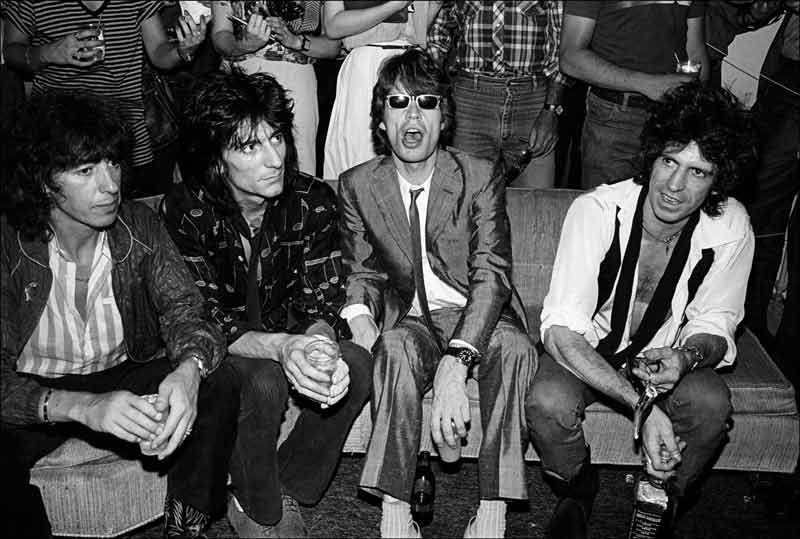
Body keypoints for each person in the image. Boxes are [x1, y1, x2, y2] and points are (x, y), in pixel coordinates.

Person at [0, 91, 239, 539]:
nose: (110, 184)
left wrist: (189, 370)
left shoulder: (139, 227)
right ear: (43, 181)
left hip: (121, 370)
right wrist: (84, 408)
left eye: (112, 162)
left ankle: (186, 526)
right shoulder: (9, 244)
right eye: (86, 170)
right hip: (35, 388)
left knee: (218, 382)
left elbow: (188, 311)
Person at [525, 81, 757, 539]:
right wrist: (642, 407)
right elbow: (562, 334)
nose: (674, 185)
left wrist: (686, 358)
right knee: (547, 401)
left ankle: (664, 491)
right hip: (593, 351)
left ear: (718, 180)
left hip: (668, 357)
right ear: (651, 156)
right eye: (670, 161)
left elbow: (717, 321)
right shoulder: (597, 210)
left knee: (711, 404)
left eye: (697, 172)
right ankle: (578, 488)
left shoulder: (730, 225)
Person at [160, 69, 371, 538]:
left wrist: (319, 345)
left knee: (355, 363)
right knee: (264, 379)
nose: (275, 158)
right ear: (217, 158)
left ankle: (286, 484)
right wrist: (280, 349)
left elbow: (321, 300)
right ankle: (254, 502)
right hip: (222, 345)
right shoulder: (187, 208)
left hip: (284, 326)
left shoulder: (312, 198)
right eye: (250, 146)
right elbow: (203, 318)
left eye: (276, 137)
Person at [338, 49, 537, 538]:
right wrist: (358, 313)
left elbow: (492, 273)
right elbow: (361, 269)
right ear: (380, 119)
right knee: (393, 347)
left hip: (477, 315)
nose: (412, 115)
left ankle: (493, 510)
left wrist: (457, 361)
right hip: (411, 319)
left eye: (426, 103)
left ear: (443, 117)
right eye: (398, 102)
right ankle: (395, 508)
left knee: (513, 347)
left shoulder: (478, 174)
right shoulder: (358, 185)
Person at [1, 0, 208, 196]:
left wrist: (182, 51)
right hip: (59, 133)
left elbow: (158, 52)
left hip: (125, 131)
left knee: (135, 217)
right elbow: (11, 51)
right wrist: (47, 52)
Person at [560, 0, 710, 189]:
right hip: (616, 117)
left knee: (660, 209)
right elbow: (570, 57)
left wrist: (697, 107)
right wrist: (646, 84)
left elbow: (695, 52)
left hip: (674, 117)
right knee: (608, 210)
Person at [427, 0, 567, 188]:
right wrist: (434, 90)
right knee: (466, 198)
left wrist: (551, 110)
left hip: (533, 101)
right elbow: (438, 31)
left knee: (536, 203)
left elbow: (561, 46)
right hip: (470, 101)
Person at [211, 1, 342, 176]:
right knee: (239, 157)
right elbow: (220, 35)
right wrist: (244, 45)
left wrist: (296, 41)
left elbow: (332, 47)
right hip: (242, 75)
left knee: (297, 161)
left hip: (296, 79)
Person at [322, 0, 440, 180]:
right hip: (367, 62)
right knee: (359, 154)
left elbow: (416, 29)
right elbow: (333, 26)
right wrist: (395, 5)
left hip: (410, 62)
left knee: (413, 153)